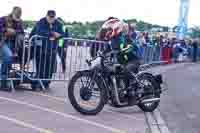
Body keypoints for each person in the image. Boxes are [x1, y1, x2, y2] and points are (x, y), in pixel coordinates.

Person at [98, 17, 141, 104]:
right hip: (123, 62)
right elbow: (105, 51)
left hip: (133, 61)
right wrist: (99, 55)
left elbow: (134, 47)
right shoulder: (111, 41)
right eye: (108, 30)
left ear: (116, 29)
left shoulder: (124, 37)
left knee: (126, 70)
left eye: (110, 30)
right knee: (110, 72)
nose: (108, 32)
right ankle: (116, 94)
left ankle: (133, 93)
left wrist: (124, 49)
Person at [30, 10, 64, 89]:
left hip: (52, 48)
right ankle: (38, 82)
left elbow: (62, 33)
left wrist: (59, 35)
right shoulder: (41, 21)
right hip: (40, 48)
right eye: (50, 17)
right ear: (47, 16)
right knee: (41, 66)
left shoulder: (58, 23)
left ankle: (46, 82)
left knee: (50, 67)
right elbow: (39, 31)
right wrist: (52, 33)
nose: (51, 19)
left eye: (53, 17)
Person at [0, 7, 24, 90]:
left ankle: (14, 82)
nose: (17, 19)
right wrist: (6, 30)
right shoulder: (3, 19)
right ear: (13, 13)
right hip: (4, 42)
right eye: (16, 16)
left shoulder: (20, 22)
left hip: (15, 44)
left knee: (15, 62)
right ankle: (3, 82)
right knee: (8, 57)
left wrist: (14, 32)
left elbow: (21, 32)